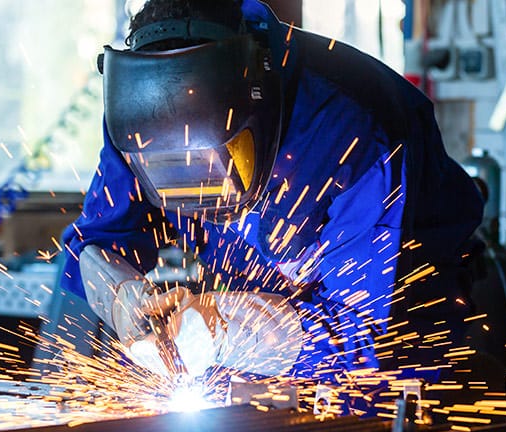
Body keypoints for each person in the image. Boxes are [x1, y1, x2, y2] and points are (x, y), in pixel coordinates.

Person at [60, 0, 484, 385]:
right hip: (248, 348)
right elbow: (95, 244)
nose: (195, 190)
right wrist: (122, 298)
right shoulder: (137, 120)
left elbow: (361, 337)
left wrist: (224, 327)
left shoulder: (352, 135)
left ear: (253, 106)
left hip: (395, 353)